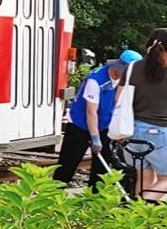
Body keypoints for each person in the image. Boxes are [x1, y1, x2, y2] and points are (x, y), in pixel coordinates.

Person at [53, 49, 141, 189]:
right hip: (79, 126)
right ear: (120, 67)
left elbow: (119, 106)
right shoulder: (96, 80)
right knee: (67, 164)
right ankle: (53, 195)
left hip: (104, 125)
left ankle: (95, 200)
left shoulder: (122, 81)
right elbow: (91, 112)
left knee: (102, 169)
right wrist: (95, 137)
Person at [129, 29, 167, 201]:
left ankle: (137, 222)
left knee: (144, 179)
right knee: (165, 180)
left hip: (134, 131)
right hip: (160, 133)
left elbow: (119, 100)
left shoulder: (132, 67)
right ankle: (143, 205)